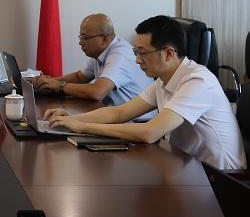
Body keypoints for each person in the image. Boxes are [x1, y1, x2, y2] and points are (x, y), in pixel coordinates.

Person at [45, 15, 246, 170]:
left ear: (168, 53)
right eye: (136, 52)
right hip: (186, 166)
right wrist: (73, 118)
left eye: (142, 53)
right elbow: (120, 113)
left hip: (221, 180)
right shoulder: (163, 80)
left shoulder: (198, 82)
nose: (137, 60)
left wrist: (82, 127)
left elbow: (149, 132)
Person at [32, 14, 153, 107]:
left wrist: (59, 85)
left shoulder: (120, 54)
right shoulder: (100, 52)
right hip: (116, 115)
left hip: (136, 122)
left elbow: (97, 92)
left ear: (104, 39)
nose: (81, 42)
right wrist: (49, 82)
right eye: (80, 37)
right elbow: (80, 77)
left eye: (85, 38)